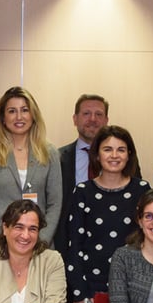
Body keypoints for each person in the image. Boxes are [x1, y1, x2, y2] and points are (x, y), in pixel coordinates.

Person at [65, 125, 150, 303]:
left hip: (134, 289)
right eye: (107, 149)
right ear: (96, 155)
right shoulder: (83, 192)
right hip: (92, 291)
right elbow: (74, 247)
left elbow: (151, 242)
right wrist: (79, 293)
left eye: (121, 149)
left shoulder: (142, 190)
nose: (114, 155)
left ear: (129, 155)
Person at [0, 86, 61, 251]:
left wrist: (39, 241)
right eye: (12, 111)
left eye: (24, 110)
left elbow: (55, 203)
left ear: (33, 115)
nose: (19, 117)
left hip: (38, 248)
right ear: (3, 117)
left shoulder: (50, 153)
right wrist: (0, 241)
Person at [54, 94, 109, 252]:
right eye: (86, 114)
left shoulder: (121, 158)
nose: (92, 119)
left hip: (110, 239)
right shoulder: (57, 158)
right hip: (68, 242)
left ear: (106, 120)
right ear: (75, 119)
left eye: (98, 114)